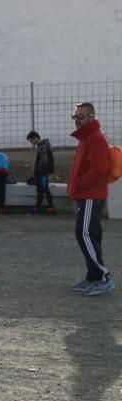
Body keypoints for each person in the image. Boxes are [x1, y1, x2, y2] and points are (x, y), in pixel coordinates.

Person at [67, 102, 113, 295]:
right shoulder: (87, 138)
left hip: (90, 195)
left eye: (81, 116)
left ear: (92, 117)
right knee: (91, 235)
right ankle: (93, 277)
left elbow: (99, 169)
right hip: (88, 194)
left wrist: (78, 185)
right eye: (75, 117)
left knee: (84, 234)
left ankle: (102, 277)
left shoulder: (94, 138)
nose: (77, 120)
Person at [27, 131, 55, 214]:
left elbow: (43, 161)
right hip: (43, 172)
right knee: (40, 189)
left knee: (44, 189)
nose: (31, 143)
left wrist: (38, 171)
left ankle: (50, 207)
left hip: (43, 172)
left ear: (35, 138)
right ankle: (39, 207)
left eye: (31, 140)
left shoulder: (43, 147)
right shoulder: (43, 145)